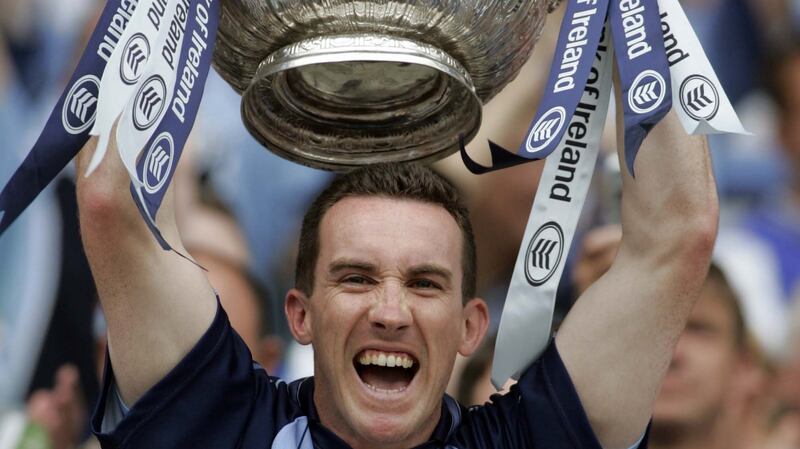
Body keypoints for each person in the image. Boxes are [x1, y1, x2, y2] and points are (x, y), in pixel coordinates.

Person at [76, 80, 717, 448]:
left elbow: (679, 233)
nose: (390, 312)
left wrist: (632, 11)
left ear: (471, 325)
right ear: (300, 313)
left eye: (424, 283)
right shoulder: (224, 427)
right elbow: (112, 196)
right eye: (355, 278)